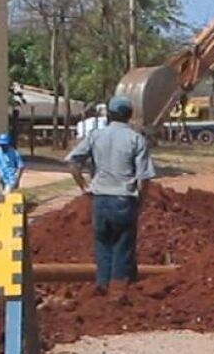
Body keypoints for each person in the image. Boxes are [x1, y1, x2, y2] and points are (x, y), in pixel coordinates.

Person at [66, 95, 156, 293]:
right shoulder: (136, 139)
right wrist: (141, 200)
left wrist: (84, 187)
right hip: (124, 199)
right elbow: (145, 177)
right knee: (123, 247)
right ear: (129, 115)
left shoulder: (95, 136)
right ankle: (118, 292)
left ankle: (102, 287)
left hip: (100, 200)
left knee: (103, 246)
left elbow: (73, 164)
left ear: (109, 114)